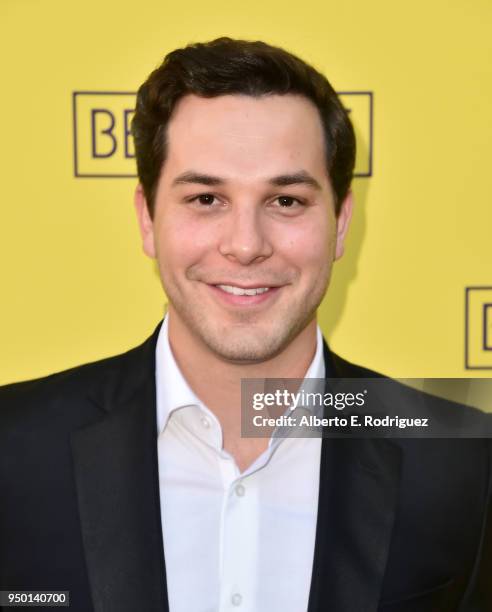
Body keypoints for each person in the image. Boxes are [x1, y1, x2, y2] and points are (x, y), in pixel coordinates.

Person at [0, 37, 490, 612]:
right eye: (207, 198)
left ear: (340, 224)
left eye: (285, 201)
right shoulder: (14, 450)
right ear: (147, 218)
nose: (246, 246)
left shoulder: (464, 465)